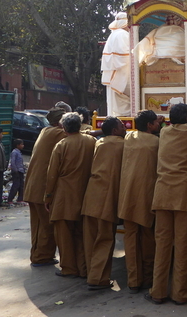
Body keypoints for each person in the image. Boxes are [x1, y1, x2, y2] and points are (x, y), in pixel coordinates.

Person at [147, 104, 187, 305]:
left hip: (163, 193)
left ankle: (157, 291)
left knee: (163, 244)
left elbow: (162, 123)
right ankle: (181, 293)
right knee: (183, 245)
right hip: (184, 195)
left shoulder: (164, 132)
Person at [45, 112, 96, 278]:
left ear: (64, 127)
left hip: (64, 195)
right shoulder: (91, 141)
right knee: (82, 234)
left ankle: (68, 267)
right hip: (86, 192)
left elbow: (52, 174)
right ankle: (84, 268)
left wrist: (48, 196)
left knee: (64, 235)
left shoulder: (61, 145)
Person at [118, 110, 161, 294]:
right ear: (150, 126)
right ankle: (149, 278)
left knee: (131, 240)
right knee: (148, 239)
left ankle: (133, 280)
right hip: (146, 196)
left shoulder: (129, 138)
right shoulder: (156, 142)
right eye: (155, 123)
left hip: (127, 197)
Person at [81, 117, 126, 291]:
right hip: (106, 198)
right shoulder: (122, 144)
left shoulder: (98, 143)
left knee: (90, 239)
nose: (124, 129)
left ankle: (90, 273)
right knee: (105, 239)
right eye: (121, 127)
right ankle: (97, 279)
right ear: (115, 131)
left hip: (91, 195)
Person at [24, 108, 65, 267]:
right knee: (46, 226)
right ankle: (42, 257)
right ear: (59, 122)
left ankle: (38, 255)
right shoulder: (56, 133)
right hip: (41, 189)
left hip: (32, 187)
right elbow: (80, 136)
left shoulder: (45, 131)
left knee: (38, 226)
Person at [101, 11, 131, 117]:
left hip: (113, 77)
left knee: (117, 106)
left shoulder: (113, 34)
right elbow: (127, 57)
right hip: (122, 75)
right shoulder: (123, 34)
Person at [7, 139, 25, 205]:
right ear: (17, 145)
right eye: (21, 144)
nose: (23, 146)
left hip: (20, 171)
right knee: (16, 185)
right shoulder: (14, 152)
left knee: (21, 186)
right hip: (17, 171)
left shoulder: (19, 152)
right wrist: (15, 170)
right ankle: (10, 199)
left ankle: (20, 199)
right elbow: (13, 162)